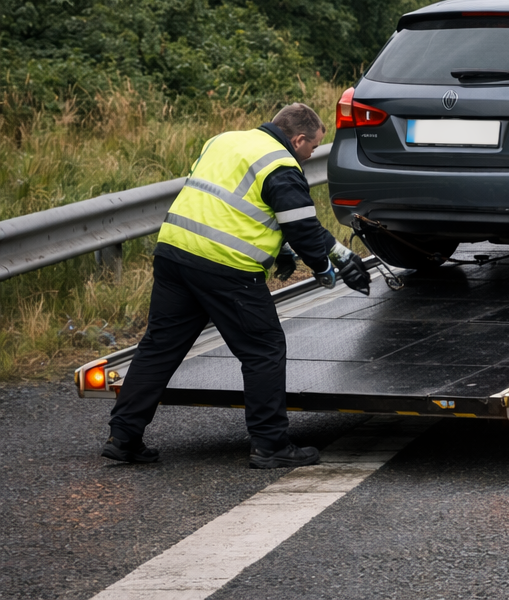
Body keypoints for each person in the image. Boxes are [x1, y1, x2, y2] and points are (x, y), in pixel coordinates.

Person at [101, 103, 372, 468]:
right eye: (313, 147)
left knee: (159, 347)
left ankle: (123, 437)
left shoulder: (224, 140)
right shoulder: (281, 164)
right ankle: (271, 445)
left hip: (174, 254)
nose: (312, 154)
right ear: (299, 139)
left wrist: (283, 248)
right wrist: (331, 262)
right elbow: (303, 226)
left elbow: (235, 206)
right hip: (225, 267)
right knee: (263, 349)